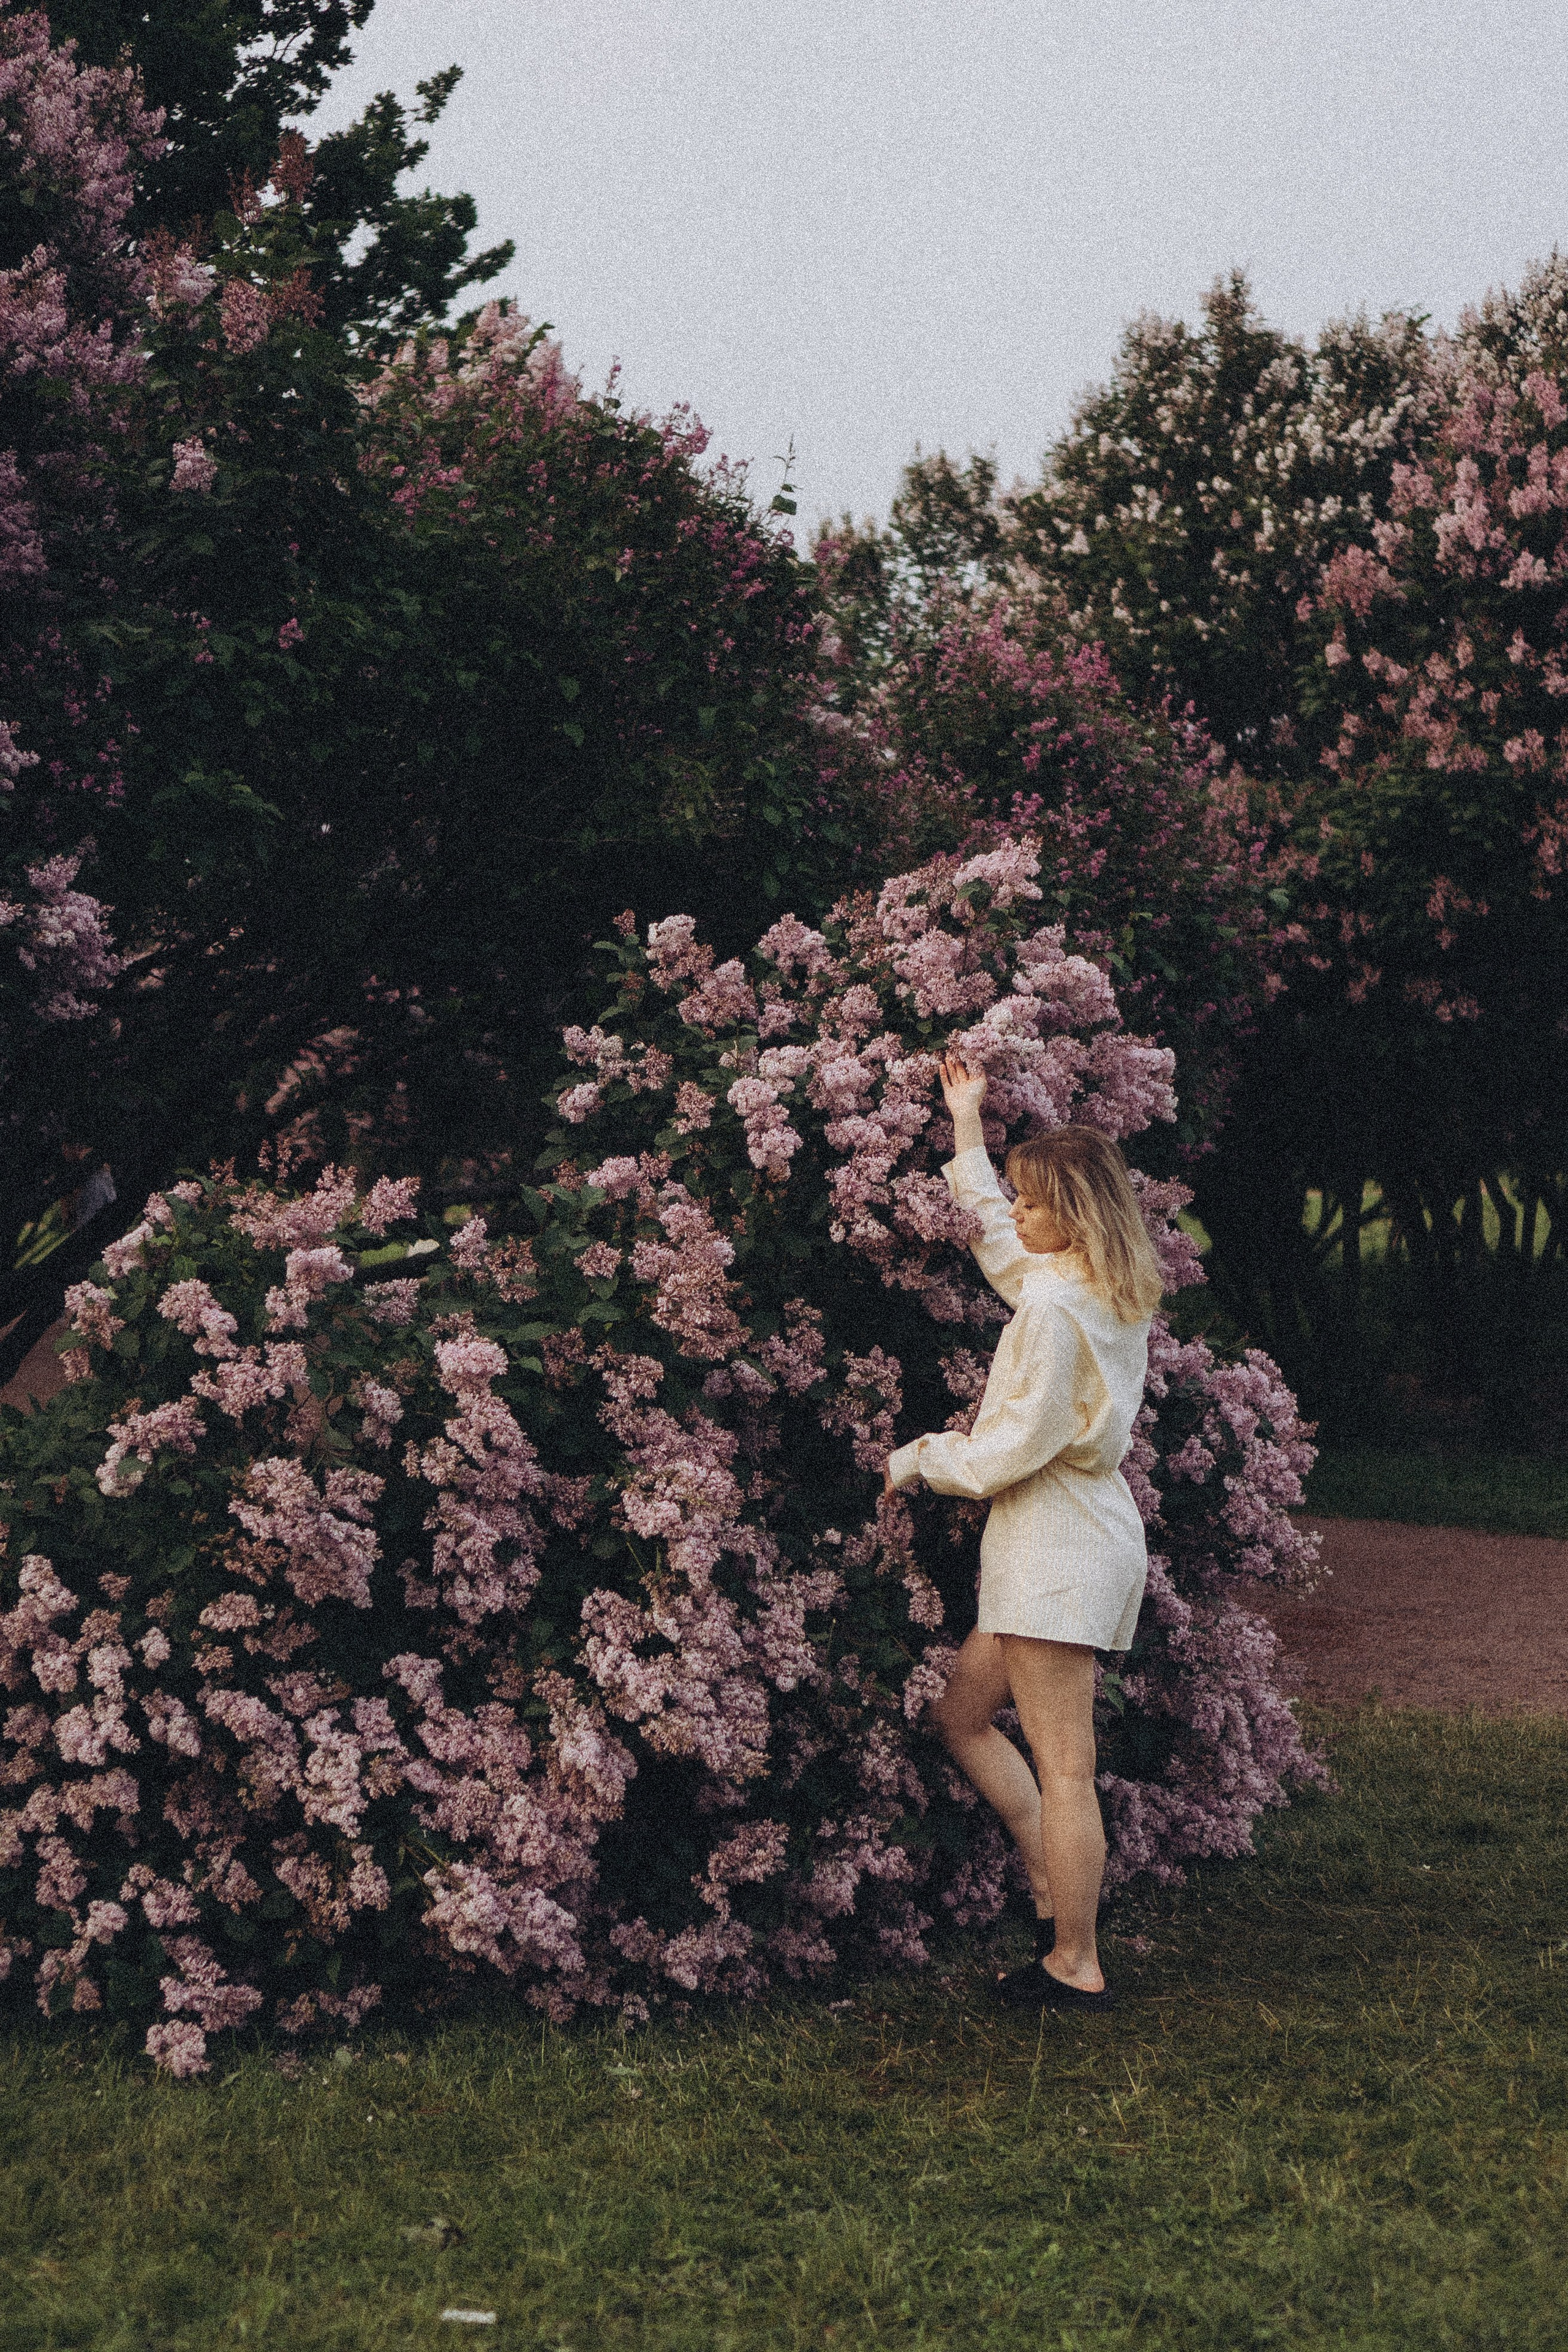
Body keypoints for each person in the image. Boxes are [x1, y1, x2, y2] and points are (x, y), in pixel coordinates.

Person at [881, 1054, 1163, 2012]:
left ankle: (1075, 1962)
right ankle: (1054, 1891)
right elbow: (1004, 1248)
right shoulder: (1103, 1286)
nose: (1020, 1211)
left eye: (1037, 1201)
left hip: (1055, 1547)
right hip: (1069, 1537)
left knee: (1068, 1767)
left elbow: (1013, 1448)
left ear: (1075, 1214)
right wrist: (966, 1126)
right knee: (960, 1716)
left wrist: (921, 1457)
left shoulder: (1055, 1305)